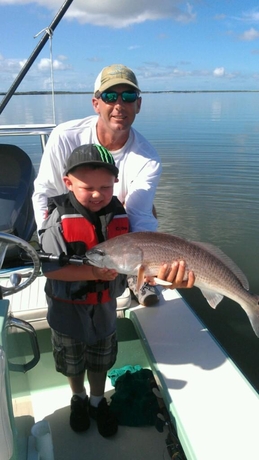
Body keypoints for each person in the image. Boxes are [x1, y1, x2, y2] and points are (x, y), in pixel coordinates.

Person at [33, 63, 193, 304]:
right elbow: (45, 195)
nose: (119, 105)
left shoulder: (147, 158)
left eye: (128, 96)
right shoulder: (64, 137)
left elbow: (140, 217)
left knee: (148, 208)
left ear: (138, 104)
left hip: (118, 232)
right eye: (110, 96)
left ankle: (136, 277)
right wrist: (50, 247)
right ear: (96, 103)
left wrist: (154, 268)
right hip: (74, 223)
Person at [39, 144, 129, 437]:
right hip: (66, 313)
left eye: (105, 186)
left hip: (104, 311)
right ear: (68, 183)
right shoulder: (58, 218)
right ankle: (78, 397)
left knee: (100, 360)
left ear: (115, 183)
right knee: (73, 363)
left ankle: (97, 399)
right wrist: (93, 272)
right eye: (87, 187)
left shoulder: (119, 214)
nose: (97, 194)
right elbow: (50, 268)